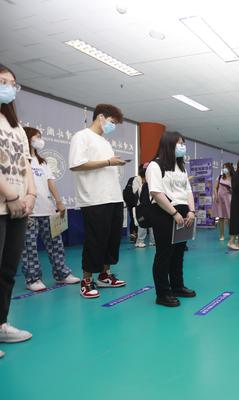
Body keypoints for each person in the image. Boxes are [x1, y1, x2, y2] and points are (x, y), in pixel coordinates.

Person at [69, 103, 127, 299]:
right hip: (94, 198)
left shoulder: (105, 142)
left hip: (114, 197)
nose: (113, 126)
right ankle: (86, 280)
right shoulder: (82, 136)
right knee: (96, 240)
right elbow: (76, 164)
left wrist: (113, 163)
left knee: (112, 239)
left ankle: (104, 274)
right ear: (100, 117)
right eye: (112, 122)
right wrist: (109, 162)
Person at [0, 64, 36, 352]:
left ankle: (1, 323)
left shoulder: (17, 127)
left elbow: (26, 165)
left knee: (8, 270)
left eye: (13, 83)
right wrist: (11, 195)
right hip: (6, 202)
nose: (9, 88)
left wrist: (31, 194)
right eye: (3, 82)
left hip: (20, 206)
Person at [21, 127, 80, 291]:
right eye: (37, 137)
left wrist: (59, 202)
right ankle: (32, 279)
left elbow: (50, 182)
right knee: (29, 247)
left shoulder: (42, 162)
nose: (40, 140)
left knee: (56, 244)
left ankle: (62, 274)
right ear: (27, 138)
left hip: (47, 209)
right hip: (29, 211)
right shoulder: (21, 159)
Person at [146, 131, 196, 307]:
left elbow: (188, 191)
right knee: (164, 254)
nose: (183, 147)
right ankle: (162, 293)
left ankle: (177, 286)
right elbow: (156, 193)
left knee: (178, 253)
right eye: (179, 144)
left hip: (184, 213)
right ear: (169, 144)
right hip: (164, 212)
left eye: (183, 144)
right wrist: (174, 213)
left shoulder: (181, 167)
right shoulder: (155, 165)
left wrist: (191, 211)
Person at [133, 163, 154, 248]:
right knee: (142, 225)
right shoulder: (142, 185)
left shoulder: (149, 185)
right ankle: (139, 241)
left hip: (149, 209)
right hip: (141, 210)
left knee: (152, 225)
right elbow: (138, 198)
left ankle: (153, 241)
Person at [214, 162, 233, 241]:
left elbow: (234, 190)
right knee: (220, 217)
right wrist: (216, 195)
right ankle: (221, 235)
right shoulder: (219, 177)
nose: (224, 169)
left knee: (230, 218)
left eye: (226, 167)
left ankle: (232, 235)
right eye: (223, 167)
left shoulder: (233, 178)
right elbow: (215, 188)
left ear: (229, 169)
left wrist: (231, 190)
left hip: (229, 199)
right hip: (220, 199)